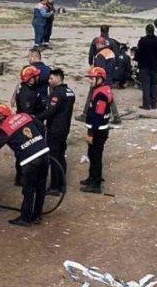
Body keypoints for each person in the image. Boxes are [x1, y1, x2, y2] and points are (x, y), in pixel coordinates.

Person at [0, 104, 50, 227]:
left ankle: (25, 218)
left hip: (30, 160)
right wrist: (38, 143)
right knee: (40, 187)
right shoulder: (24, 116)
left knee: (28, 190)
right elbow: (41, 127)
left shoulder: (5, 129)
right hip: (44, 153)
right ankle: (37, 215)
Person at [36, 69, 75, 196]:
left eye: (51, 78)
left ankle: (54, 186)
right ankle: (62, 184)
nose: (49, 81)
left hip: (55, 129)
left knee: (53, 157)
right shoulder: (70, 92)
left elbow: (50, 111)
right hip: (65, 128)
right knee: (61, 155)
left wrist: (36, 118)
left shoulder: (57, 93)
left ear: (58, 78)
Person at [80, 66, 113, 194]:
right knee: (92, 154)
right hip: (99, 129)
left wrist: (91, 134)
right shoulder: (103, 89)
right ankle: (92, 177)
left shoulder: (100, 94)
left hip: (98, 131)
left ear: (100, 79)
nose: (90, 80)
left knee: (95, 157)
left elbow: (98, 116)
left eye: (92, 78)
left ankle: (96, 184)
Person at [11, 65, 46, 185]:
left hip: (24, 121)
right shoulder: (28, 93)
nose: (38, 78)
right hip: (27, 125)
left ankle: (21, 177)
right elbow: (28, 113)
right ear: (30, 79)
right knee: (26, 151)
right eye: (36, 76)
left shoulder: (25, 87)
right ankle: (22, 178)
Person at [135, 24, 157, 110]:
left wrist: (137, 60)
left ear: (146, 31)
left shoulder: (142, 41)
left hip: (144, 65)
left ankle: (146, 104)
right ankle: (154, 103)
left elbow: (138, 52)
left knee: (146, 85)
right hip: (155, 66)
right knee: (154, 84)